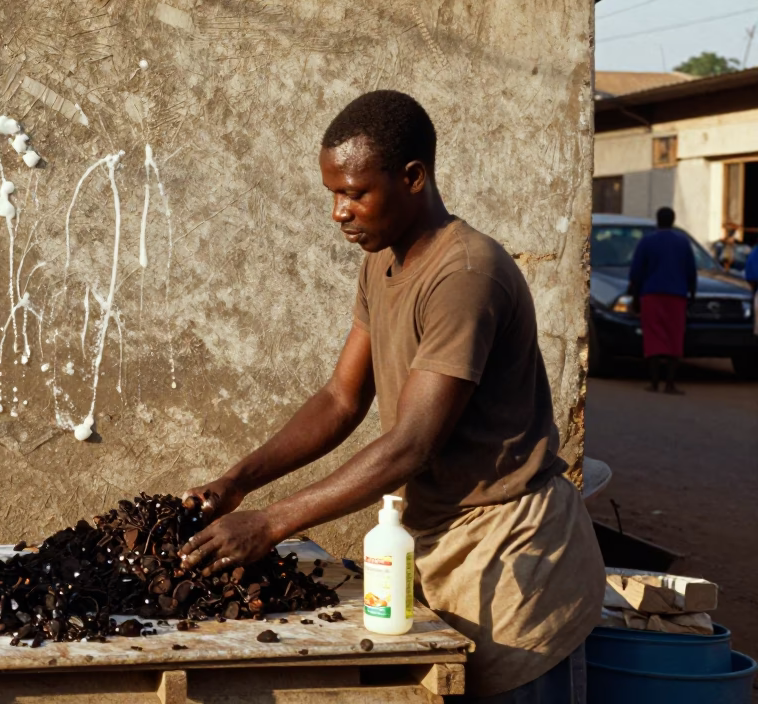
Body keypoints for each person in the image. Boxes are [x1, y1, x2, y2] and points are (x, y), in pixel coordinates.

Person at [177, 90, 604, 702]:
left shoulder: (465, 275)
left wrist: (272, 523)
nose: (339, 212)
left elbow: (412, 444)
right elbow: (340, 399)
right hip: (433, 541)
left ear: (413, 177)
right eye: (333, 194)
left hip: (512, 553)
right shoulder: (381, 263)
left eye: (354, 192)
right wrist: (239, 480)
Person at [628, 207, 696, 394]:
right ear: (673, 220)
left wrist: (635, 296)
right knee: (675, 337)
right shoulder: (683, 242)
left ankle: (654, 382)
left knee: (653, 337)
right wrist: (692, 294)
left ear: (657, 220)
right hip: (677, 295)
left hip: (651, 295)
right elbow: (691, 271)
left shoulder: (647, 241)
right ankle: (670, 383)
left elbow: (636, 272)